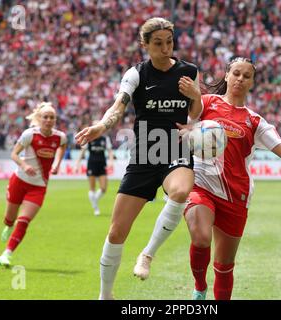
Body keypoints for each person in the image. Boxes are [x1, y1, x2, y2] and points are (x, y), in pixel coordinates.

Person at [180, 57, 281, 300]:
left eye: (246, 76)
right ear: (227, 75)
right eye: (236, 73)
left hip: (236, 194)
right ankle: (199, 287)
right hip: (201, 183)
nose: (240, 79)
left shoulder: (255, 121)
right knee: (200, 237)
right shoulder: (206, 103)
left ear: (252, 83)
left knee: (224, 264)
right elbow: (185, 123)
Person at [75, 17, 202, 300]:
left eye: (169, 42)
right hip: (144, 153)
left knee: (181, 190)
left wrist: (197, 96)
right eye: (158, 43)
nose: (165, 48)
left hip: (176, 148)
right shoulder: (136, 74)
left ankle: (147, 254)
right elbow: (118, 106)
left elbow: (195, 116)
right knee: (117, 232)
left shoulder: (189, 72)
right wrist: (101, 126)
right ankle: (105, 295)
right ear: (144, 44)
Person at [0, 102, 67, 267]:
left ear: (55, 120)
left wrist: (57, 164)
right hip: (18, 182)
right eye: (46, 117)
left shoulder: (60, 137)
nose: (49, 120)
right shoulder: (29, 134)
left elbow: (62, 147)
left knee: (23, 220)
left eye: (52, 117)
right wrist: (24, 165)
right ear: (39, 118)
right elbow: (14, 154)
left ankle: (6, 254)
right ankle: (7, 225)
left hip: (38, 187)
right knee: (10, 219)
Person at [75, 121, 114, 216]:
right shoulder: (89, 138)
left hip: (102, 164)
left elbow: (109, 151)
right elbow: (82, 151)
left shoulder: (105, 138)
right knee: (92, 188)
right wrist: (78, 163)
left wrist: (111, 161)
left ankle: (94, 201)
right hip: (91, 164)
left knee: (104, 188)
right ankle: (96, 208)